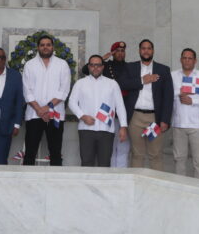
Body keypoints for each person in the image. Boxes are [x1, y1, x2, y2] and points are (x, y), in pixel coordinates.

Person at [118, 39, 173, 170]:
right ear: (139, 50)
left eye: (149, 48)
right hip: (135, 117)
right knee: (137, 154)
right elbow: (121, 84)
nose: (146, 51)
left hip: (155, 119)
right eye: (143, 48)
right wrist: (143, 80)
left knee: (156, 154)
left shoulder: (163, 69)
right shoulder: (130, 67)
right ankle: (136, 186)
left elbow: (168, 96)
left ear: (153, 51)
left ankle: (156, 187)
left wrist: (165, 119)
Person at [68, 55, 128, 167]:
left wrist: (123, 127)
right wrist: (82, 116)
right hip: (86, 130)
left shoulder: (112, 84)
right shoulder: (80, 83)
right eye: (92, 65)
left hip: (106, 130)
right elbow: (71, 102)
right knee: (86, 163)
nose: (95, 68)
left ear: (103, 67)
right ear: (89, 67)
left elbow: (120, 106)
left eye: (98, 65)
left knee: (105, 164)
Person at [22, 35, 71, 165]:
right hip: (33, 114)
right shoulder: (29, 65)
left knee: (55, 152)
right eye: (42, 45)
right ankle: (27, 183)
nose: (45, 47)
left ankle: (55, 184)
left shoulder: (62, 64)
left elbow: (64, 90)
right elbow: (27, 91)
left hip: (55, 115)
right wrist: (39, 109)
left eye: (48, 44)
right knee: (30, 153)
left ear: (52, 47)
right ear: (38, 47)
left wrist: (47, 108)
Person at [81, 41, 130, 167]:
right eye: (117, 51)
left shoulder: (130, 67)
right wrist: (102, 58)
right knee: (108, 151)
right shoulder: (105, 66)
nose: (120, 53)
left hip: (124, 110)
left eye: (122, 51)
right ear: (113, 53)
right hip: (107, 115)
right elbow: (86, 70)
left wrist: (124, 124)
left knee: (123, 148)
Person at [171, 48, 199, 180]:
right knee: (179, 160)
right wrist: (179, 93)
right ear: (180, 60)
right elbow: (166, 94)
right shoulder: (172, 76)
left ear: (195, 61)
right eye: (184, 58)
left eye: (190, 58)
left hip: (198, 126)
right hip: (178, 124)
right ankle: (180, 188)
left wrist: (193, 100)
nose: (187, 60)